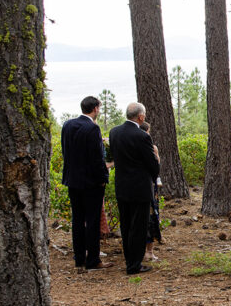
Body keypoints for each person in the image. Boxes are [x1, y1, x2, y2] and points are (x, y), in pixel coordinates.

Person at [61, 96, 113, 271]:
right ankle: (93, 260)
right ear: (96, 109)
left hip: (72, 180)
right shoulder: (92, 128)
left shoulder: (67, 125)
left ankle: (79, 258)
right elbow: (97, 158)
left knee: (77, 220)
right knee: (92, 220)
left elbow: (65, 151)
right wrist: (103, 179)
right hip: (91, 183)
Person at [109, 103, 160, 275]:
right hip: (139, 187)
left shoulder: (114, 132)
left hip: (122, 186)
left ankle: (129, 259)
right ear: (141, 117)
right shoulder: (142, 136)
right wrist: (154, 174)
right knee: (138, 226)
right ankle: (134, 265)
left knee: (126, 225)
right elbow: (152, 163)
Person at [140, 122, 162, 262]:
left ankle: (141, 250)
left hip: (135, 186)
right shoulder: (151, 148)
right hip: (148, 186)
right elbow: (156, 165)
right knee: (151, 217)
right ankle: (149, 251)